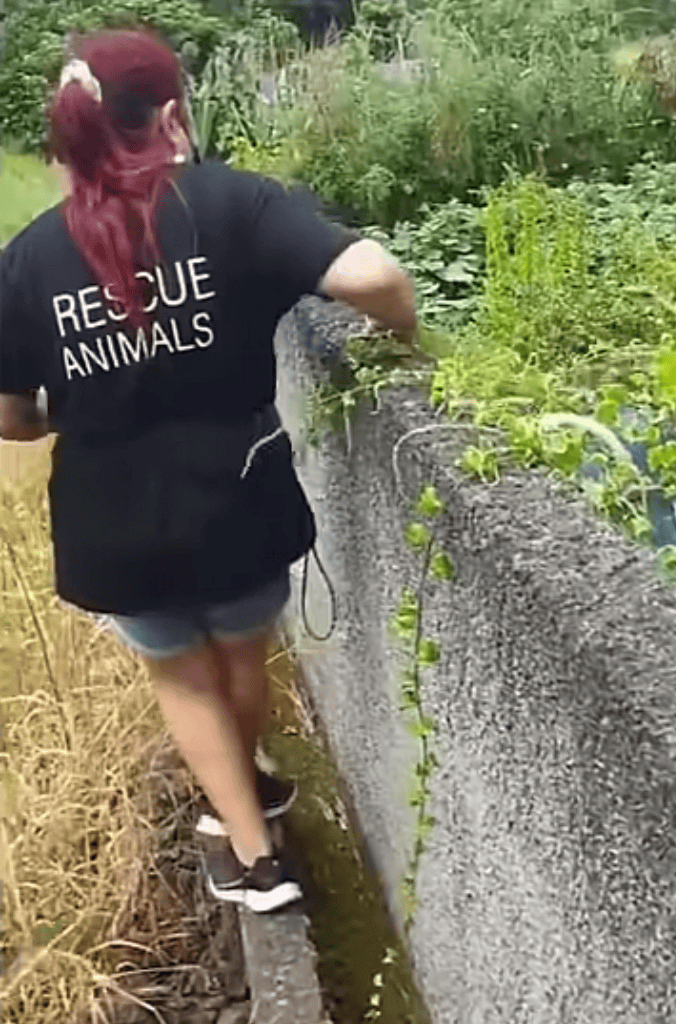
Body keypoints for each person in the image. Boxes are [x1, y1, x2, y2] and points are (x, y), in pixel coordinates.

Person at [0, 27, 418, 914]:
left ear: (68, 134)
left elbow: (10, 417)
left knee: (181, 674)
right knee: (238, 653)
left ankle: (255, 852)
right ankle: (249, 808)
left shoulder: (28, 259)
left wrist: (53, 412)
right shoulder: (233, 204)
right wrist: (404, 336)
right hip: (240, 495)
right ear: (174, 115)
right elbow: (377, 273)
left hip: (112, 519)